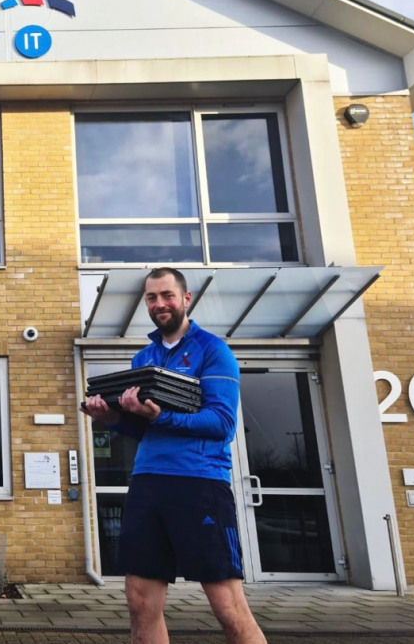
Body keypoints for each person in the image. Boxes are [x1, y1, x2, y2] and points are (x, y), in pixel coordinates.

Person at [80, 267, 266, 644]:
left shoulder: (214, 350)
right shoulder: (144, 358)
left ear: (186, 298)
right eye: (151, 298)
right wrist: (112, 416)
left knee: (228, 607)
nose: (159, 304)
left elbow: (222, 424)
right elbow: (143, 429)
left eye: (166, 295)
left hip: (199, 485)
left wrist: (162, 415)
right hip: (148, 483)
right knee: (139, 600)